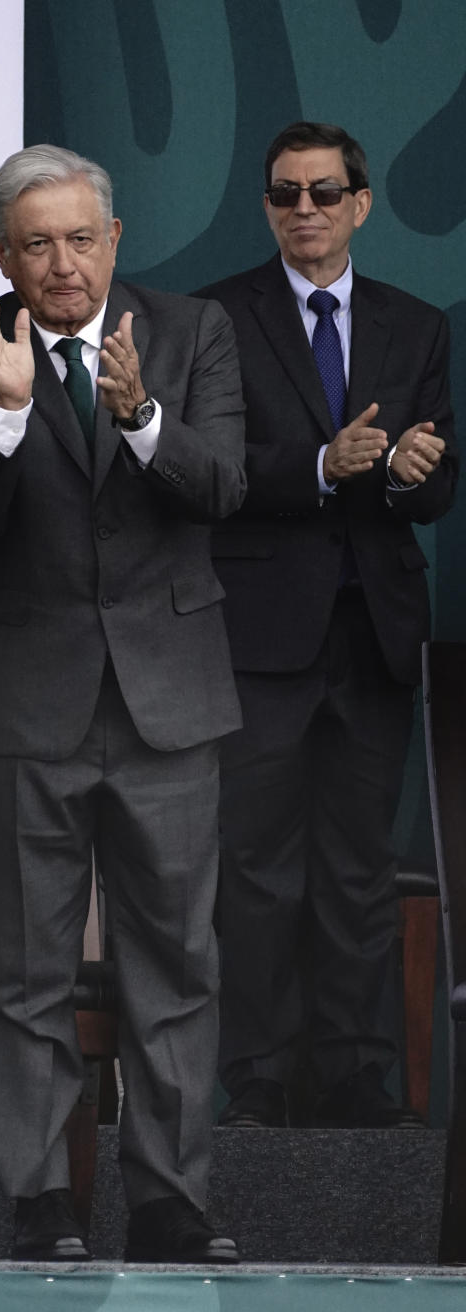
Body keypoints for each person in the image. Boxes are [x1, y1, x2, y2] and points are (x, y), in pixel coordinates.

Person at [0, 145, 246, 1263]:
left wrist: (145, 415)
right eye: (35, 243)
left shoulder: (193, 332)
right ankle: (41, 1204)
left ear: (114, 238)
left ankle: (169, 1203)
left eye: (79, 238)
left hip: (170, 703)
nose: (61, 264)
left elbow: (223, 487)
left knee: (177, 968)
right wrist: (5, 417)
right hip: (25, 710)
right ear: (2, 252)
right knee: (24, 973)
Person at [197, 121, 458, 1129]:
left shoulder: (416, 324)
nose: (304, 209)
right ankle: (256, 1076)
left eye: (323, 191)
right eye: (285, 194)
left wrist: (406, 477)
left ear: (361, 203)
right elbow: (207, 474)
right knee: (254, 865)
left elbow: (438, 490)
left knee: (358, 866)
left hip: (376, 636)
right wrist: (319, 468)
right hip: (259, 634)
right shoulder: (218, 317)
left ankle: (355, 1073)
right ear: (267, 207)